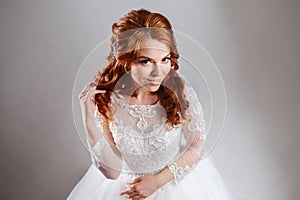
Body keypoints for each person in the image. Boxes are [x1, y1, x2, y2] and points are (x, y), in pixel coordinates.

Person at [67, 8, 234, 200]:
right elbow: (112, 172)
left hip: (175, 186)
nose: (158, 72)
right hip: (124, 191)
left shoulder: (180, 91)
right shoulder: (107, 100)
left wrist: (157, 182)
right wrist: (88, 119)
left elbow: (196, 146)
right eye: (146, 61)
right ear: (126, 61)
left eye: (165, 59)